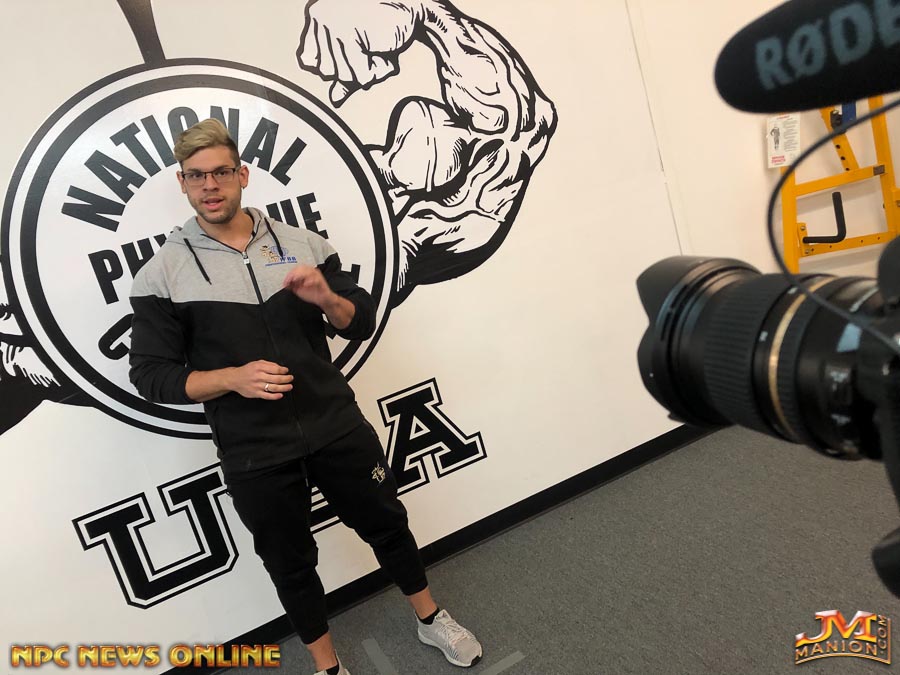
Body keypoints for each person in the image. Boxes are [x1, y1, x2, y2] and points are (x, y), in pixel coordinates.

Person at [128, 118, 482, 675]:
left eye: (221, 171)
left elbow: (359, 321)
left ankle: (430, 617)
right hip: (254, 450)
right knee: (290, 564)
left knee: (388, 525)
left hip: (334, 424)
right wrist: (231, 378)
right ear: (182, 183)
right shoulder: (161, 275)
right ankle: (328, 667)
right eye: (196, 175)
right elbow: (151, 377)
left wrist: (327, 299)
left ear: (243, 174)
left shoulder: (302, 244)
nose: (210, 185)